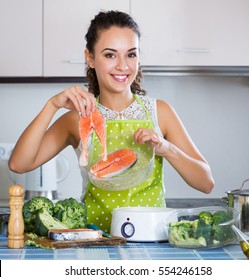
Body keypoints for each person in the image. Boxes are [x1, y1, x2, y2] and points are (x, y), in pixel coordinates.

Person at [8, 10, 214, 232]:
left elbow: (205, 183)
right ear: (90, 58)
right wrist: (51, 106)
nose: (123, 66)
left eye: (131, 54)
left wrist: (166, 148)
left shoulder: (160, 112)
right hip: (95, 240)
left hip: (153, 240)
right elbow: (19, 164)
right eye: (110, 55)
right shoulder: (78, 118)